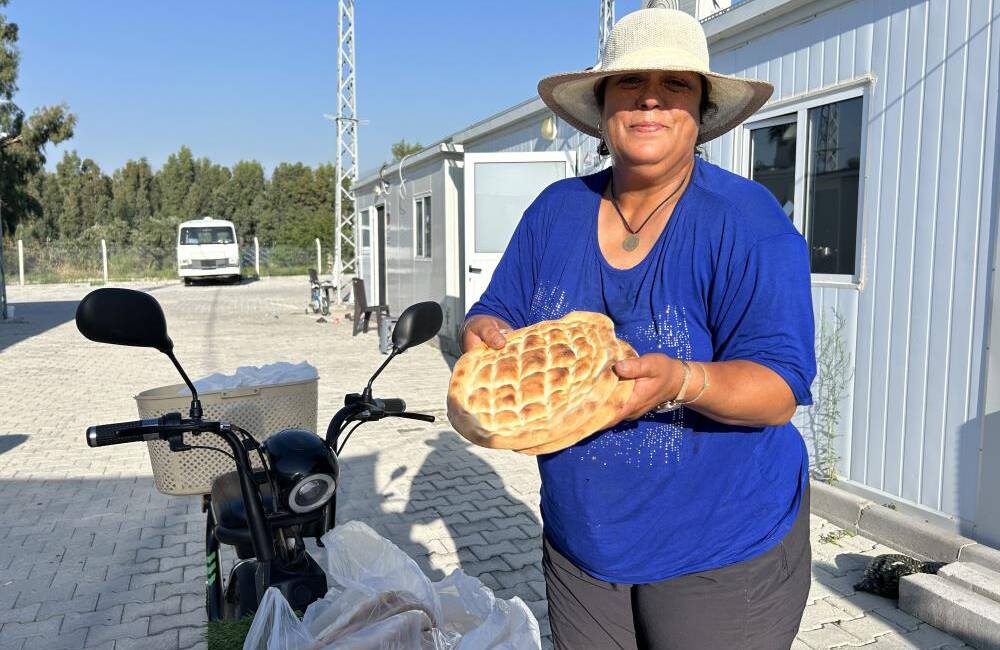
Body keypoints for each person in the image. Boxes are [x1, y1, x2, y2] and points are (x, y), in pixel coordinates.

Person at [460, 5, 816, 650]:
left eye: (675, 85)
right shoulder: (556, 210)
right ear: (602, 107)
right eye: (629, 83)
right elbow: (499, 311)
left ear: (701, 111)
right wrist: (484, 333)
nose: (650, 98)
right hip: (582, 545)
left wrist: (682, 379)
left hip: (720, 547)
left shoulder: (745, 220)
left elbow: (778, 390)